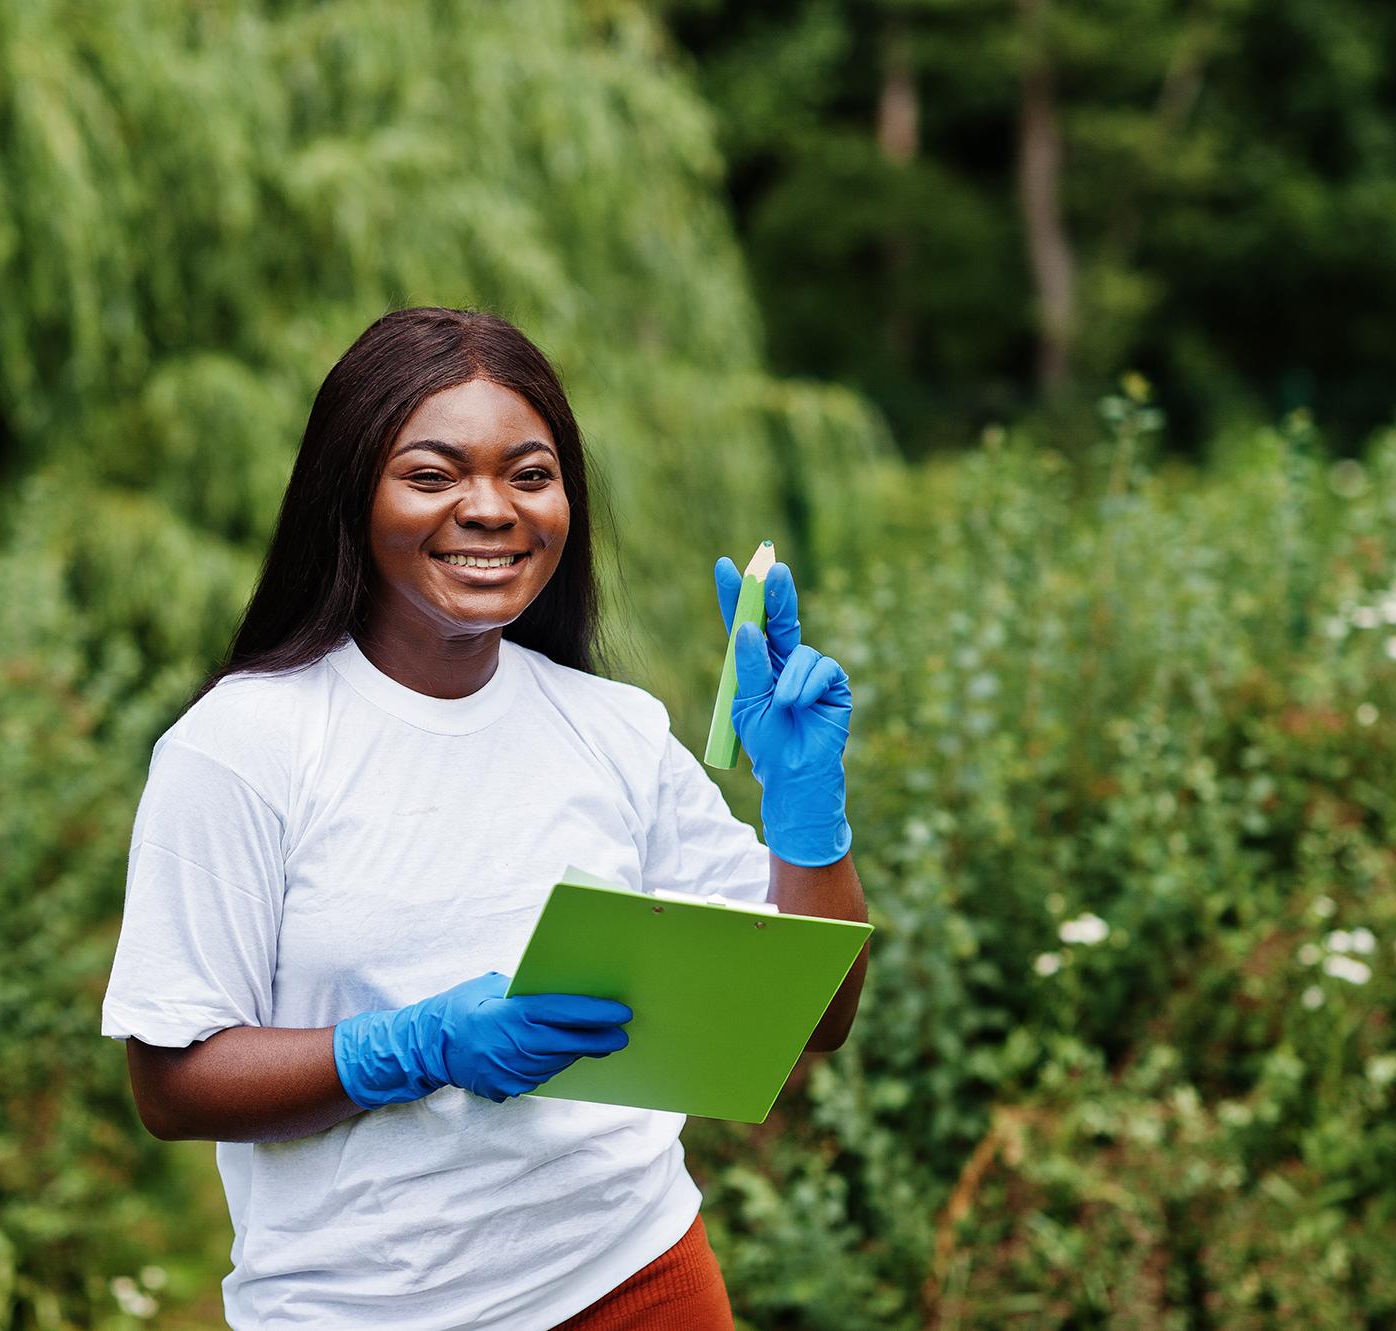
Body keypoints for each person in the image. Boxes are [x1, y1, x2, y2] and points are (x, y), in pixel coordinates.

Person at [99, 307, 869, 1329]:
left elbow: (814, 1014)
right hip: (360, 1306)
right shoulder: (240, 748)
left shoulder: (612, 730)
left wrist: (805, 815)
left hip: (636, 1277)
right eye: (431, 474)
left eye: (530, 473)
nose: (490, 507)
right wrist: (412, 1046)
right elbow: (171, 1082)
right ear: (351, 495)